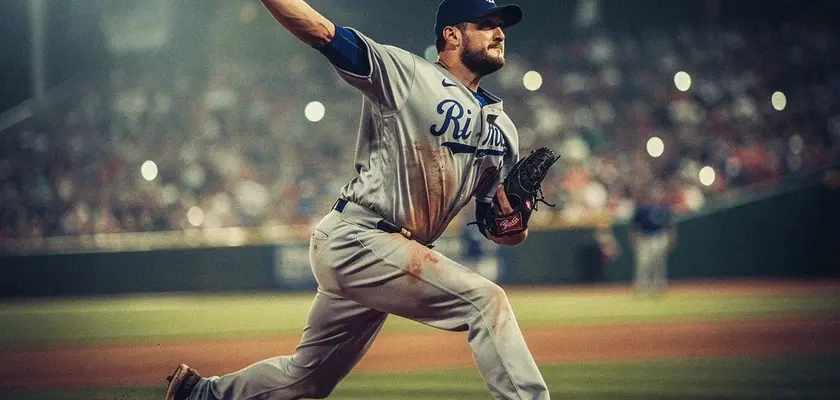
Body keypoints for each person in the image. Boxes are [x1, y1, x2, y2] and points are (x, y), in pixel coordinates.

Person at [164, 0, 550, 399]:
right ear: (452, 34)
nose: (499, 33)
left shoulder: (504, 129)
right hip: (361, 236)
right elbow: (322, 32)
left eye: (500, 26)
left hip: (390, 250)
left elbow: (498, 226)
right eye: (486, 24)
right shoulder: (407, 74)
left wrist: (512, 225)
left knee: (308, 380)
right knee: (486, 301)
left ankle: (199, 394)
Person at [629, 184, 677, 294]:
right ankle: (641, 285)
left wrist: (672, 239)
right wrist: (633, 239)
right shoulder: (642, 209)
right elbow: (633, 226)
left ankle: (659, 284)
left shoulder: (664, 208)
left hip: (659, 236)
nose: (655, 196)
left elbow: (670, 225)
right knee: (643, 262)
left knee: (659, 262)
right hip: (644, 237)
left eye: (657, 193)